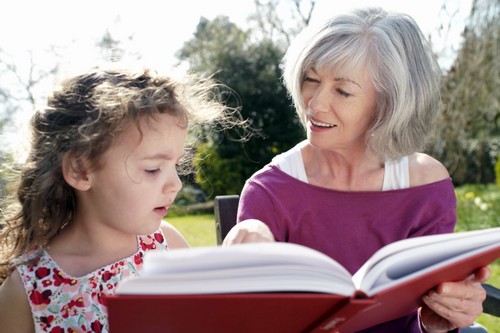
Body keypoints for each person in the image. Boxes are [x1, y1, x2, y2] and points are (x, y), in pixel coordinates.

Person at [224, 7, 490, 333]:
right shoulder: (270, 190)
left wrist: (438, 322)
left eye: (343, 90)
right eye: (311, 79)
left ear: (387, 105)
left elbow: (425, 317)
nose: (315, 103)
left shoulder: (425, 187)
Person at [0, 65, 239, 332]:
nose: (176, 184)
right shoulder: (27, 289)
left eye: (176, 165)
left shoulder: (167, 245)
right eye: (153, 169)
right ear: (80, 170)